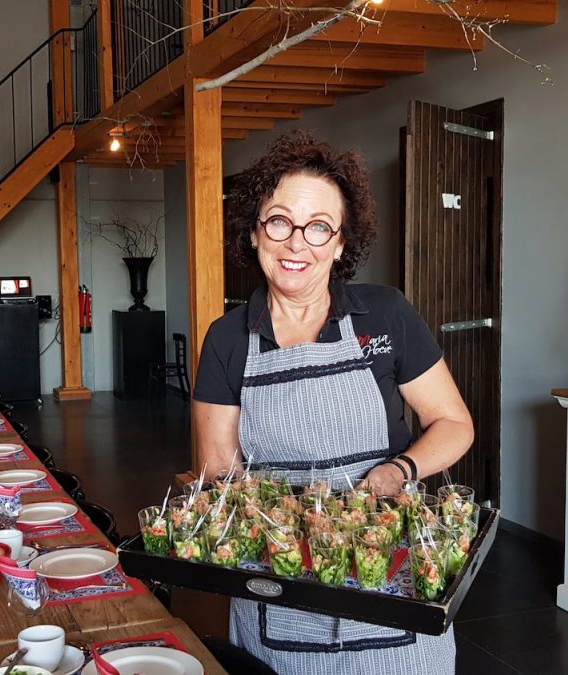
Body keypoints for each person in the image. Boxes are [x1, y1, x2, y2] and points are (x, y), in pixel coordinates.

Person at [193, 130, 474, 674]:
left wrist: (399, 470)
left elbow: (453, 422)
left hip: (388, 574)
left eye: (319, 227)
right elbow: (218, 467)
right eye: (279, 221)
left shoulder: (384, 314)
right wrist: (282, 526)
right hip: (276, 586)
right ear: (255, 232)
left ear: (341, 243)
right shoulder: (227, 339)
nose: (297, 243)